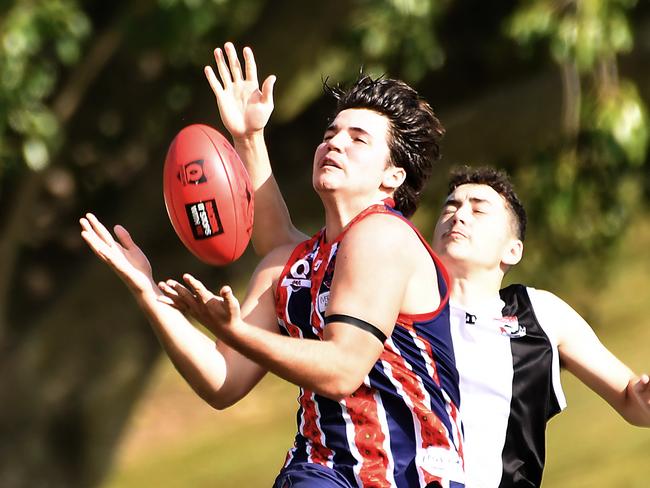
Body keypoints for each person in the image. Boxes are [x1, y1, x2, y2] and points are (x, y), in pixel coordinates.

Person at [224, 48, 650, 487]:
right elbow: (291, 252)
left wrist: (644, 394)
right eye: (451, 205)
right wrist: (251, 140)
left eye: (478, 209)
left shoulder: (540, 315)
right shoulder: (400, 291)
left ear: (513, 250)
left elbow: (632, 400)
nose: (458, 215)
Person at [80, 42, 465, 488]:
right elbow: (222, 381)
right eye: (330, 134)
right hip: (319, 473)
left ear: (392, 177)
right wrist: (148, 293)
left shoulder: (385, 235)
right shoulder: (292, 264)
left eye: (358, 139)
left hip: (405, 476)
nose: (334, 143)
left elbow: (342, 369)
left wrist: (235, 331)